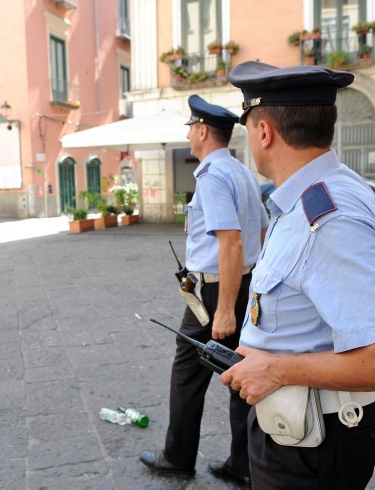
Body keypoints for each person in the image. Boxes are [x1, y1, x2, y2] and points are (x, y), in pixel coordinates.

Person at [221, 61, 375, 489]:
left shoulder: (328, 218)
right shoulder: (314, 195)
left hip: (313, 438)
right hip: (301, 424)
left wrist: (277, 370)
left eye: (247, 127)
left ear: (264, 132)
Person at [139, 94, 268, 488]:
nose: (190, 135)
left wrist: (225, 309)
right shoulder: (241, 171)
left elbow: (230, 242)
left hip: (215, 293)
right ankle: (243, 465)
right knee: (238, 372)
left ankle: (177, 459)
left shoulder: (212, 176)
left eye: (190, 129)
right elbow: (263, 231)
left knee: (186, 374)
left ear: (200, 131)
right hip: (244, 284)